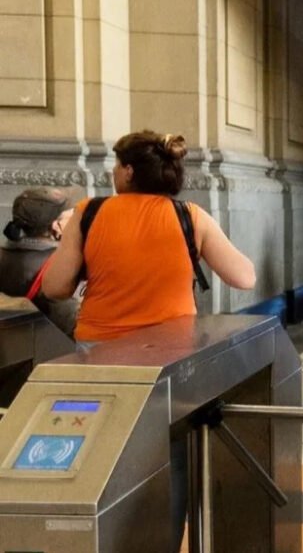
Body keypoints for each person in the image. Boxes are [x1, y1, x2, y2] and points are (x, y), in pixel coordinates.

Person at [41, 130, 257, 553]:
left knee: (99, 457)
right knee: (171, 461)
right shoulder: (188, 216)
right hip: (171, 363)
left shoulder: (89, 212)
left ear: (126, 170)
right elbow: (244, 277)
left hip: (99, 359)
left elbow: (55, 287)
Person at [0, 188, 78, 336]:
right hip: (54, 352)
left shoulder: (3, 255)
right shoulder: (59, 266)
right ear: (57, 226)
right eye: (71, 216)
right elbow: (74, 326)